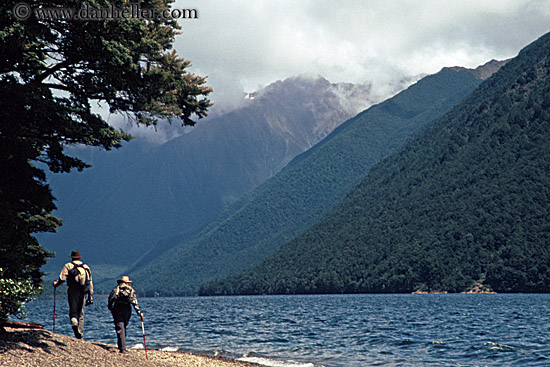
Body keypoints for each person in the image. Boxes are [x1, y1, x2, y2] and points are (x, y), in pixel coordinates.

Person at [53, 250, 94, 339]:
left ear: (72, 258)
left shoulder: (68, 266)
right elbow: (90, 282)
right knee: (81, 313)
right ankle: (80, 334)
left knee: (73, 311)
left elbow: (62, 279)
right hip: (83, 291)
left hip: (72, 290)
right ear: (79, 257)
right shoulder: (86, 267)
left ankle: (74, 324)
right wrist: (90, 296)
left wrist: (56, 284)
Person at [108, 275, 144, 353]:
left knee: (120, 327)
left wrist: (110, 308)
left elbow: (111, 299)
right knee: (123, 326)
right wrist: (138, 312)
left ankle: (122, 347)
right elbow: (134, 302)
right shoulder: (131, 290)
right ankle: (122, 346)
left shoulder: (116, 289)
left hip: (117, 308)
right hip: (127, 309)